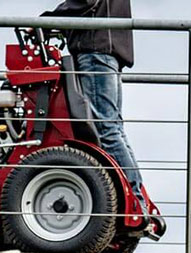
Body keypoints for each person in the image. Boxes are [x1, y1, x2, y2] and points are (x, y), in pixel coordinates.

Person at [43, 0, 146, 196]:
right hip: (105, 51)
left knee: (105, 129)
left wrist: (47, 20)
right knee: (114, 129)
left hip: (95, 51)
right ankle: (136, 197)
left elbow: (85, 1)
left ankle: (134, 199)